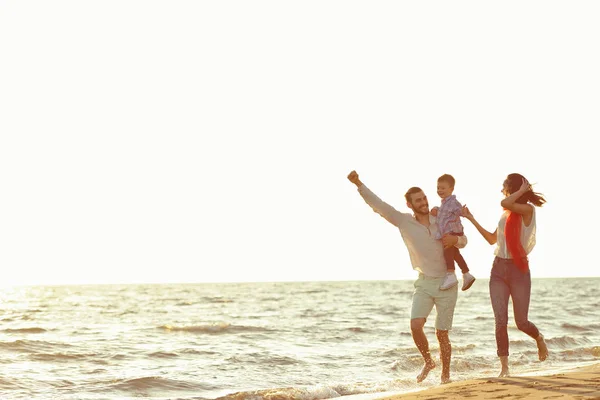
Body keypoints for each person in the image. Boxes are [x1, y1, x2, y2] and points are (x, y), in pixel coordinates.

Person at [347, 170, 467, 384]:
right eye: (418, 200)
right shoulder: (403, 222)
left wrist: (455, 241)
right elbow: (379, 206)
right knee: (415, 325)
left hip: (447, 282)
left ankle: (445, 376)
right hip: (424, 282)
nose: (423, 202)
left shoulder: (439, 218)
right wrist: (359, 184)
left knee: (442, 333)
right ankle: (428, 361)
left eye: (424, 198)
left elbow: (463, 239)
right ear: (410, 204)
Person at [461, 173, 549, 377]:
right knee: (500, 320)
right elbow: (492, 239)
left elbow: (505, 201)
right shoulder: (505, 214)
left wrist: (521, 192)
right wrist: (471, 218)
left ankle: (539, 338)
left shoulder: (528, 210)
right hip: (498, 269)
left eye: (504, 186)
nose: (502, 189)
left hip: (519, 270)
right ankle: (505, 368)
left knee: (521, 322)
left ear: (514, 188)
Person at [431, 174, 476, 291]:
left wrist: (463, 212)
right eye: (438, 188)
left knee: (448, 251)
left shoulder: (453, 202)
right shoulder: (444, 203)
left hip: (452, 232)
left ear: (451, 189)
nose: (440, 190)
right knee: (455, 254)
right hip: (451, 232)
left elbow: (458, 210)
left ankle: (450, 274)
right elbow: (444, 213)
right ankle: (466, 274)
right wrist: (436, 209)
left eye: (443, 188)